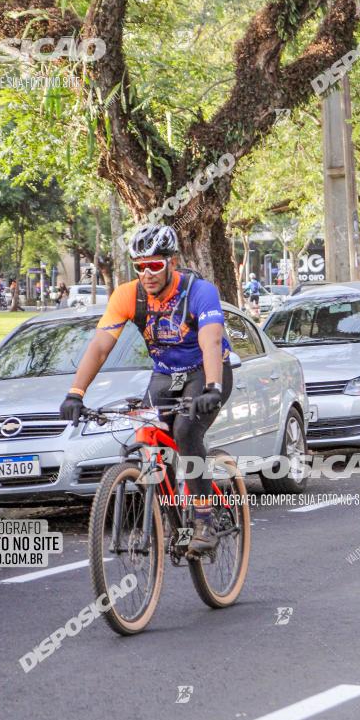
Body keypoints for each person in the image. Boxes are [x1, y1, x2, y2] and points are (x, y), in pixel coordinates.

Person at [59, 224, 235, 559]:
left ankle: (203, 519)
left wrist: (212, 387)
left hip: (207, 370)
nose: (147, 273)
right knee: (148, 434)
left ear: (171, 261)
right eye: (140, 266)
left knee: (185, 429)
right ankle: (173, 519)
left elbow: (210, 340)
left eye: (154, 265)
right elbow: (99, 347)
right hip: (166, 373)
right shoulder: (128, 295)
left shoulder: (199, 291)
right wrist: (75, 393)